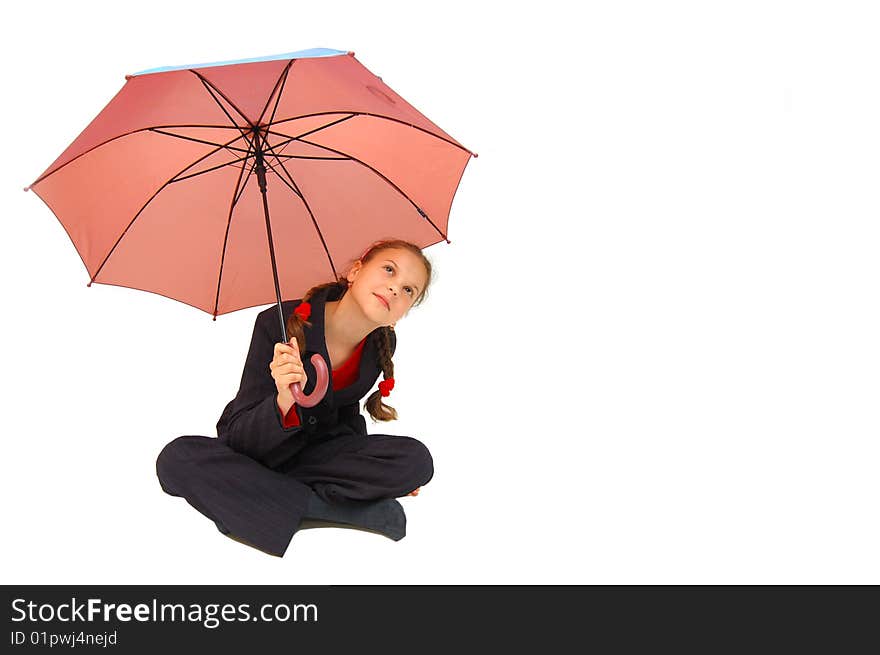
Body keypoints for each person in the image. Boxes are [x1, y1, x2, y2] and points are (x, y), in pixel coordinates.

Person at [155, 239, 435, 557]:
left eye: (409, 290)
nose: (396, 288)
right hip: (260, 451)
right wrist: (284, 400)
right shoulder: (277, 323)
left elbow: (346, 419)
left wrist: (372, 470)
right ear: (356, 270)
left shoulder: (380, 346)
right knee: (176, 459)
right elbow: (241, 439)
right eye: (388, 270)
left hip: (315, 459)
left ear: (402, 314)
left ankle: (254, 502)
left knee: (416, 461)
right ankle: (328, 509)